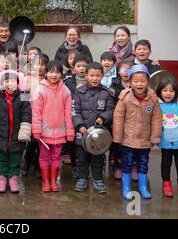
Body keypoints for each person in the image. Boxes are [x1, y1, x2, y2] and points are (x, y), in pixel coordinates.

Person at [113, 64, 162, 200]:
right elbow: (118, 117)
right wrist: (118, 137)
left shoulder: (152, 98)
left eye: (143, 81)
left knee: (143, 162)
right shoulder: (125, 97)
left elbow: (157, 118)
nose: (139, 84)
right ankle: (126, 187)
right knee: (127, 162)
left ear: (148, 82)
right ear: (130, 82)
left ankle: (143, 187)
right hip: (127, 138)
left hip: (144, 139)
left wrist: (155, 137)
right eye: (135, 81)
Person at [32, 60, 75, 192]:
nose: (54, 75)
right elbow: (36, 112)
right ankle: (45, 181)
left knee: (56, 157)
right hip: (45, 133)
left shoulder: (66, 91)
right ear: (46, 73)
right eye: (51, 72)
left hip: (60, 133)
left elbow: (69, 113)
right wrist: (37, 131)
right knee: (44, 157)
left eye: (57, 72)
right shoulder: (40, 90)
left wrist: (70, 132)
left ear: (61, 74)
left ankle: (53, 181)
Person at [72, 62, 115, 193]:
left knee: (98, 159)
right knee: (82, 159)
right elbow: (74, 111)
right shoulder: (79, 92)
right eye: (91, 75)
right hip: (82, 134)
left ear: (102, 76)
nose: (95, 78)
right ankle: (82, 178)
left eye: (98, 75)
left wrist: (103, 118)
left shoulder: (106, 93)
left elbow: (111, 110)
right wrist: (79, 125)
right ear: (86, 75)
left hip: (100, 136)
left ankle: (98, 179)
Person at [0, 71, 32, 193]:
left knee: (15, 158)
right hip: (0, 133)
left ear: (17, 84)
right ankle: (1, 177)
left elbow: (27, 115)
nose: (10, 84)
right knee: (1, 157)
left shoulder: (23, 96)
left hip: (17, 134)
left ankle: (13, 177)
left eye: (13, 81)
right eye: (7, 81)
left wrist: (24, 131)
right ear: (2, 84)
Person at [22, 53, 49, 178]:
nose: (40, 67)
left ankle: (38, 166)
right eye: (37, 64)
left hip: (45, 116)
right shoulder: (27, 79)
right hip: (31, 114)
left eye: (43, 64)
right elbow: (23, 98)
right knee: (32, 142)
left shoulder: (49, 80)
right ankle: (27, 163)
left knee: (42, 143)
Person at [108, 60, 133, 180]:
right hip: (117, 119)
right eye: (123, 69)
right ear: (118, 71)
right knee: (117, 143)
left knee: (130, 143)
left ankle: (132, 166)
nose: (126, 72)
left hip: (133, 119)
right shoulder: (114, 85)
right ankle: (117, 166)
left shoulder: (137, 84)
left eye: (129, 69)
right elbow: (111, 103)